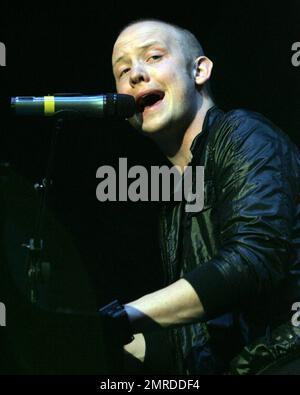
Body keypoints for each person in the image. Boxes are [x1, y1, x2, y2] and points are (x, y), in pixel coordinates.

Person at [105, 18, 300, 374]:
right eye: (123, 70)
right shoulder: (173, 200)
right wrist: (85, 334)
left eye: (152, 56)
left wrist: (123, 317)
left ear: (199, 70)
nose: (135, 75)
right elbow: (194, 339)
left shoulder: (243, 134)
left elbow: (252, 260)